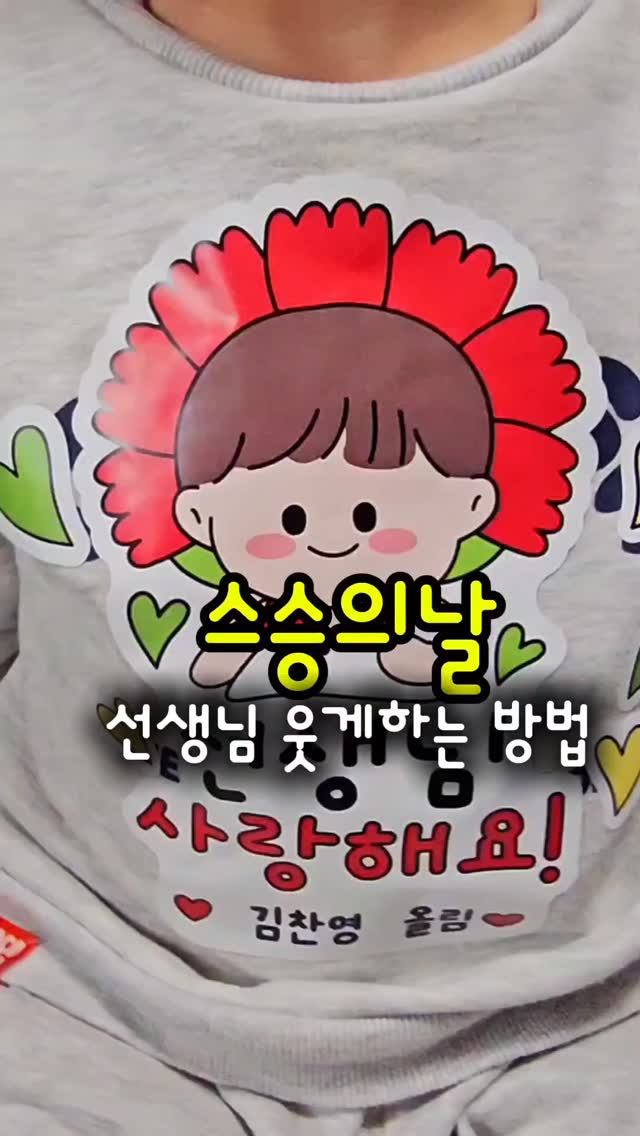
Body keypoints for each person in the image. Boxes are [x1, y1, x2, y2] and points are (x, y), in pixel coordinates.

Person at [1, 1, 640, 1132]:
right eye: (291, 509)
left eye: (378, 509)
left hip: (600, 1003)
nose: (334, 537)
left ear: (479, 507)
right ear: (197, 512)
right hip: (76, 982)